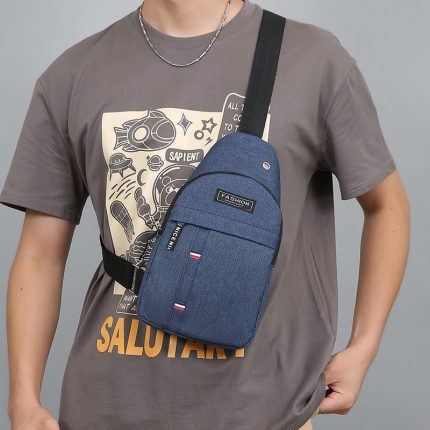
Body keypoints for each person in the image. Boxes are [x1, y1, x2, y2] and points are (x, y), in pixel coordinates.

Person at [1, 0, 409, 429]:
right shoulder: (72, 75)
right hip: (105, 405)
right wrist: (23, 400)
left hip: (264, 412)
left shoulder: (314, 60)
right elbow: (40, 254)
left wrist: (364, 346)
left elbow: (387, 205)